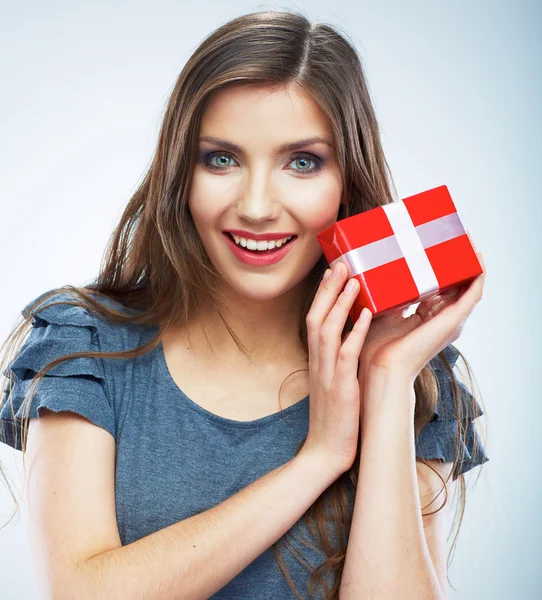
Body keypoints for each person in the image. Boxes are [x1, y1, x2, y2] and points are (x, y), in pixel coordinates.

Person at [0, 9, 489, 600]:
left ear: (347, 180)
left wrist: (385, 384)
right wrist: (318, 458)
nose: (257, 206)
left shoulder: (413, 375)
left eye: (302, 162)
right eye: (222, 159)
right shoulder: (87, 347)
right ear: (181, 172)